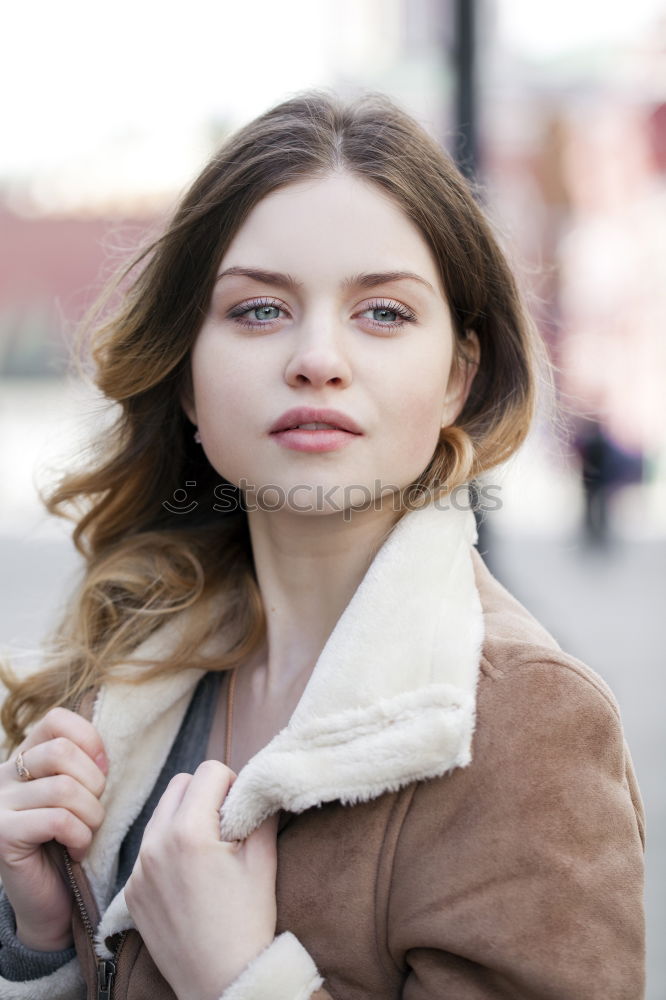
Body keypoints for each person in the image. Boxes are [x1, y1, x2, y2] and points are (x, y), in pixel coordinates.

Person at [0, 89, 645, 999]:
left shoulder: (527, 722)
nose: (318, 357)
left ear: (458, 376)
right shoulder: (124, 664)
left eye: (382, 313)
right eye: (260, 310)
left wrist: (240, 978)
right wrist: (43, 939)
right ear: (187, 377)